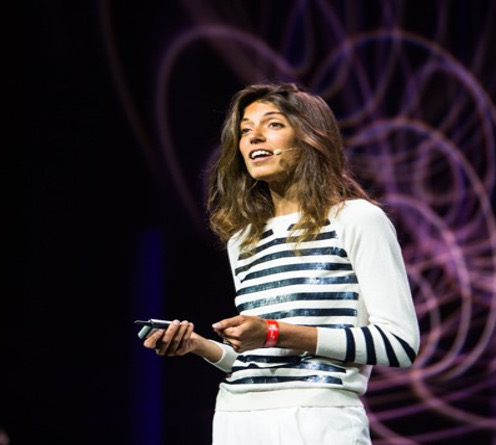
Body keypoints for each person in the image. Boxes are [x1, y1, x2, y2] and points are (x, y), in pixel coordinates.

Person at [142, 82, 420, 444]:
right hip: (235, 417)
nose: (254, 136)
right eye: (244, 130)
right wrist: (199, 345)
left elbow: (398, 344)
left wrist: (274, 332)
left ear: (310, 137)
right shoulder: (244, 239)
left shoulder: (356, 220)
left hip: (316, 418)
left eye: (273, 124)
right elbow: (257, 361)